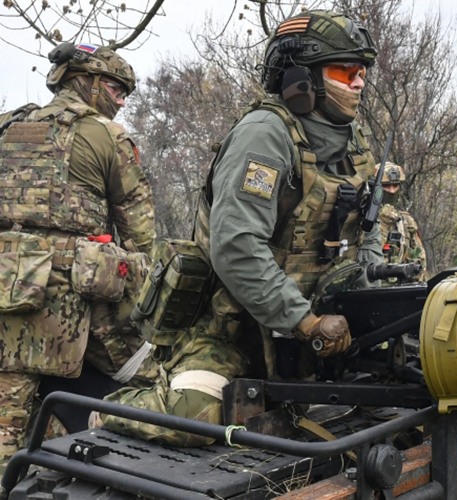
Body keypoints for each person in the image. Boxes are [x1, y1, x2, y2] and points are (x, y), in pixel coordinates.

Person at [102, 10, 383, 446]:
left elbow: (368, 232)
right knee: (194, 418)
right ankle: (101, 416)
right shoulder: (265, 136)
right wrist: (306, 323)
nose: (359, 82)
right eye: (346, 71)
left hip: (311, 338)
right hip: (229, 331)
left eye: (361, 71)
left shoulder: (353, 143)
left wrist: (369, 302)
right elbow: (237, 247)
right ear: (302, 79)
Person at [0, 43, 156, 468]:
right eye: (115, 89)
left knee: (6, 427)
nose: (121, 101)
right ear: (82, 82)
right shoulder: (108, 135)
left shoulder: (5, 126)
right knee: (146, 390)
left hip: (6, 298)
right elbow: (142, 236)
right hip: (76, 304)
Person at [377, 162, 428, 279]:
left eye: (395, 185)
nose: (391, 191)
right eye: (386, 186)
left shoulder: (405, 221)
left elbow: (419, 260)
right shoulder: (362, 221)